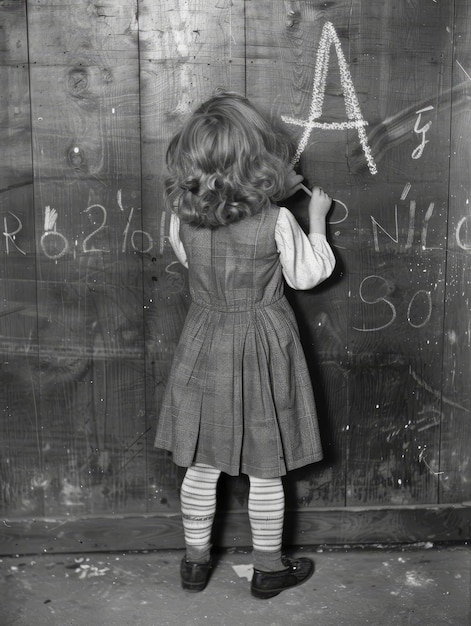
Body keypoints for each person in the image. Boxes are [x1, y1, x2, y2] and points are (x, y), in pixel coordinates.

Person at [154, 90, 336, 599]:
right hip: (263, 343)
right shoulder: (276, 219)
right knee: (266, 466)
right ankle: (268, 569)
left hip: (204, 338)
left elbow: (190, 263)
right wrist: (316, 218)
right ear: (257, 156)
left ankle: (194, 563)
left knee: (201, 462)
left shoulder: (180, 217)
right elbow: (307, 276)